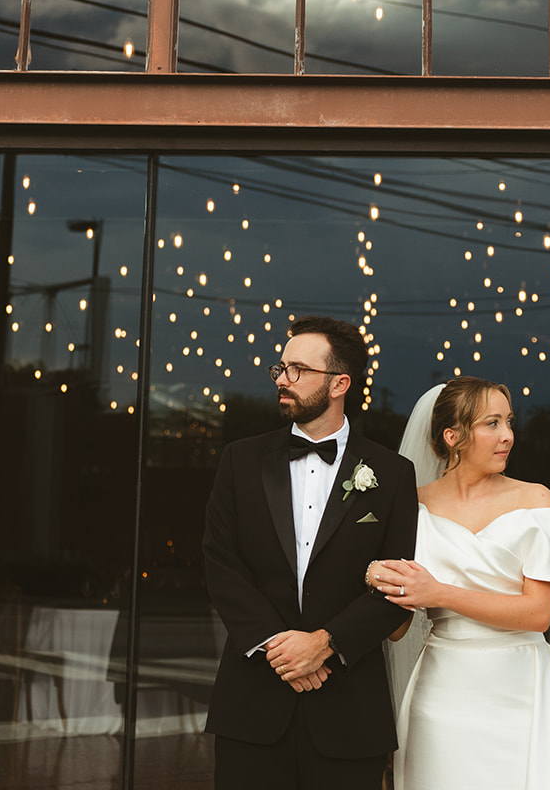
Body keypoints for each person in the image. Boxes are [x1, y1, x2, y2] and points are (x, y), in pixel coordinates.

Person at [202, 315, 419, 790]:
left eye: (298, 370)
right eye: (280, 368)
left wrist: (325, 643)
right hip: (252, 703)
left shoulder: (393, 473)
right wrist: (280, 649)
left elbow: (398, 586)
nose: (283, 379)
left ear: (339, 383)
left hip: (348, 709)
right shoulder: (240, 460)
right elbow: (221, 564)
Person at [367, 377, 550, 790]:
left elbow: (537, 614)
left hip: (520, 688)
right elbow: (397, 630)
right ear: (453, 436)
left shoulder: (535, 500)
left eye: (509, 422)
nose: (508, 436)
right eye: (492, 424)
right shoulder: (413, 505)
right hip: (442, 690)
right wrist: (376, 577)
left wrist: (438, 593)